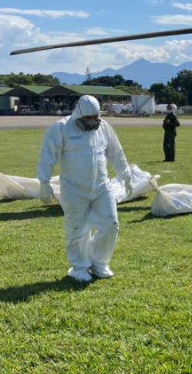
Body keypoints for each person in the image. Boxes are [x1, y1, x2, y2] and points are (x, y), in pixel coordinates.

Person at [37, 95, 133, 283]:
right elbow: (47, 155)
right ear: (78, 114)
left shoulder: (104, 127)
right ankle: (79, 267)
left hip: (101, 187)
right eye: (87, 119)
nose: (92, 122)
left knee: (111, 225)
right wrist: (44, 181)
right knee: (76, 229)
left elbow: (116, 152)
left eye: (95, 117)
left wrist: (126, 175)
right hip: (73, 189)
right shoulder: (61, 128)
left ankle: (98, 262)